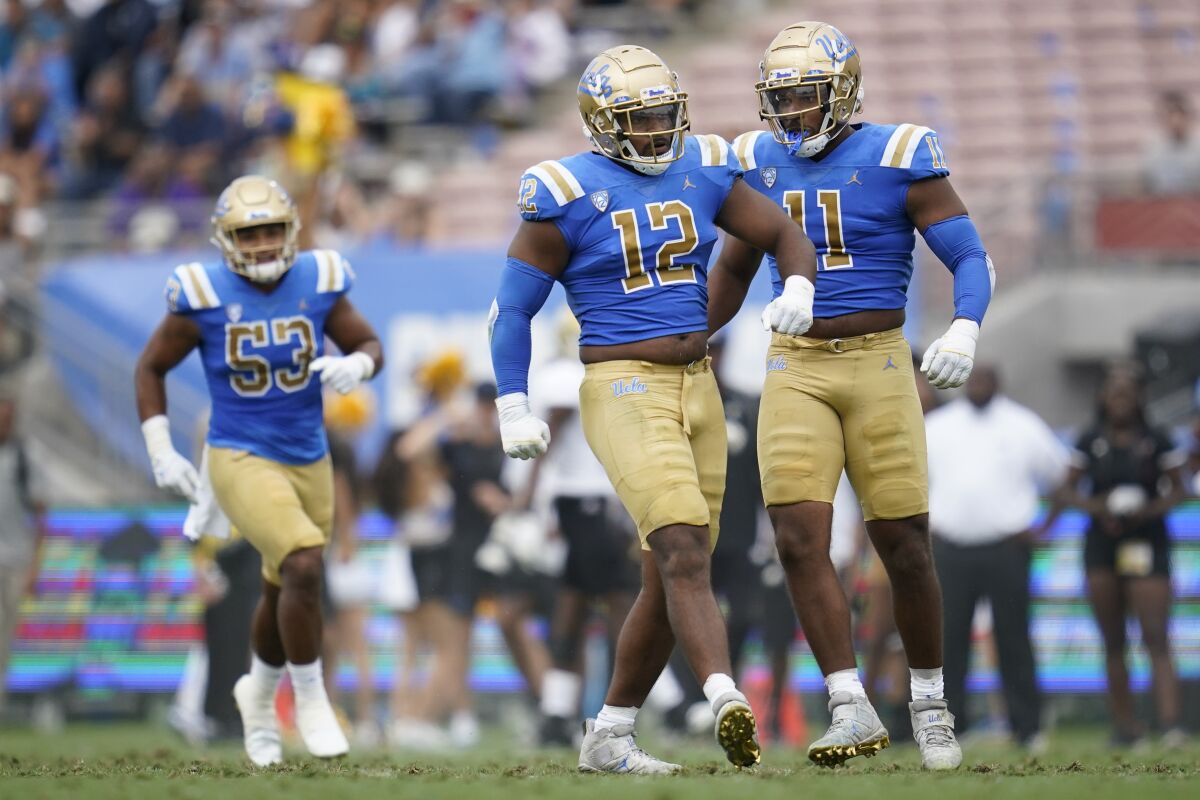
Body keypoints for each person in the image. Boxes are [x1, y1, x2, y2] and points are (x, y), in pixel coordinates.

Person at [488, 44, 818, 772]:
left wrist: (796, 287)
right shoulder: (564, 193)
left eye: (667, 113)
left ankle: (609, 732)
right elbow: (511, 311)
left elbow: (782, 234)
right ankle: (726, 695)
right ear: (603, 125)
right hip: (621, 385)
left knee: (665, 572)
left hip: (697, 383)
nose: (659, 130)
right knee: (680, 551)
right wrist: (512, 402)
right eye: (641, 120)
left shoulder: (700, 164)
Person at [709, 21, 996, 770]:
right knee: (798, 537)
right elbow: (735, 271)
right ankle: (848, 702)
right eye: (780, 100)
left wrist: (964, 329)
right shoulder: (756, 159)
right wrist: (685, 345)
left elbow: (969, 254)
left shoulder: (900, 154)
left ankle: (930, 702)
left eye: (804, 98)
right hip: (794, 362)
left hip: (877, 360)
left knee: (902, 545)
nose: (790, 115)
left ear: (841, 94)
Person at [133, 175, 383, 766]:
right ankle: (311, 695)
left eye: (273, 229)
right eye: (250, 233)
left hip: (309, 455)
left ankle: (258, 696)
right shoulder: (201, 292)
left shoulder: (318, 279)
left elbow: (370, 341)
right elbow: (150, 368)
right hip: (239, 453)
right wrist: (161, 447)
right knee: (301, 560)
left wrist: (358, 365)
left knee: (283, 583)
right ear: (226, 239)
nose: (265, 243)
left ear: (291, 230)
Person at [1039, 365, 1189, 747]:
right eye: (1113, 392)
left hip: (1146, 540)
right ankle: (1125, 726)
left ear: (1139, 397)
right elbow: (1065, 492)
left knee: (1155, 633)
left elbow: (1179, 491)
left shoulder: (1157, 439)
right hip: (1103, 544)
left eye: (1127, 392)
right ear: (1102, 398)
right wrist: (1099, 506)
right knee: (1112, 638)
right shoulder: (1090, 439)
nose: (1120, 400)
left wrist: (1146, 511)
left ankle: (1169, 724)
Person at [924, 365, 1070, 751]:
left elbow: (1064, 475)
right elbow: (909, 479)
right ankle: (952, 726)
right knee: (948, 640)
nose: (978, 386)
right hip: (950, 549)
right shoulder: (937, 426)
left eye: (985, 380)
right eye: (973, 380)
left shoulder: (1022, 425)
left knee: (1013, 637)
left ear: (999, 384)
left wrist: (1043, 528)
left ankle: (1027, 727)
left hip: (1007, 549)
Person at [527, 310, 639, 748]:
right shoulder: (566, 374)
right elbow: (552, 431)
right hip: (584, 501)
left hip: (585, 503)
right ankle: (651, 701)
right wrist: (529, 501)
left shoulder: (581, 372)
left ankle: (557, 712)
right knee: (613, 600)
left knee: (582, 602)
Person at [0, 393, 44, 715]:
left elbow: (41, 513)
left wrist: (34, 565)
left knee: (5, 637)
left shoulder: (21, 456)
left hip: (15, 560)